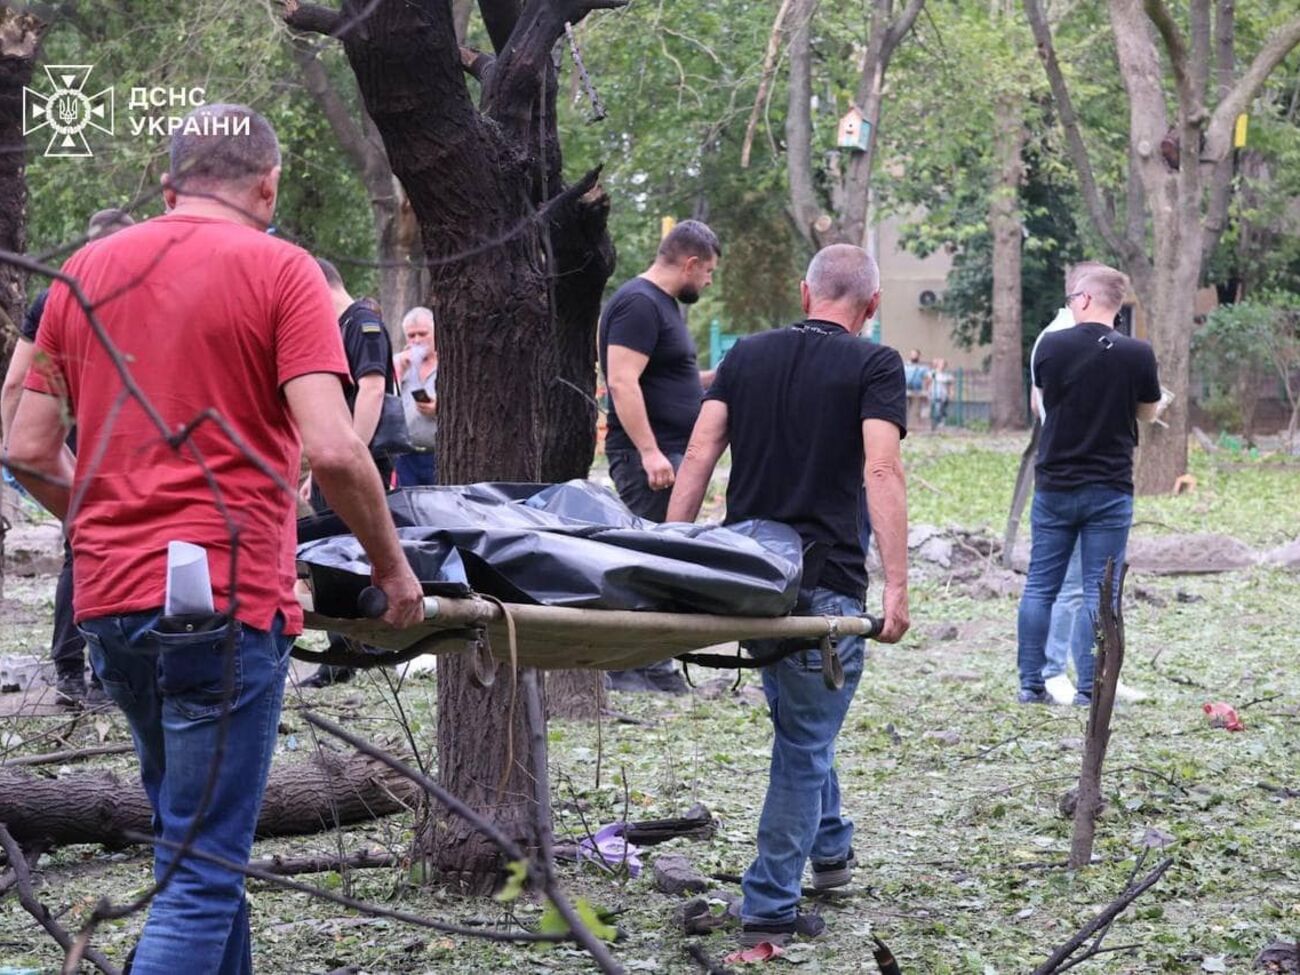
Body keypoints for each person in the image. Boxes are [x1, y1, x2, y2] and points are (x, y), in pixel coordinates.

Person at [5, 103, 423, 975]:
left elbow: (24, 445)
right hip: (223, 610)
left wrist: (111, 517)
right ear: (267, 186)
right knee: (199, 876)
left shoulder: (81, 274)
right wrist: (394, 571)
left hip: (112, 607)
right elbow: (337, 449)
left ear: (169, 185)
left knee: (194, 850)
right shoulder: (284, 271)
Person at [667, 244, 910, 947]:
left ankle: (830, 853)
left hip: (749, 586)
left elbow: (699, 455)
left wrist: (664, 557)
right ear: (871, 306)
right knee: (805, 742)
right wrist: (896, 584)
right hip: (824, 589)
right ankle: (770, 904)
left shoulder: (746, 354)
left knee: (806, 725)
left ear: (806, 295)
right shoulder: (875, 362)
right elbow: (882, 470)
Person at [0, 207, 135, 708]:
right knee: (126, 552)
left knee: (80, 550)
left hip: (67, 441)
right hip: (126, 441)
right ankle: (109, 677)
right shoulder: (144, 292)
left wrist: (17, 455)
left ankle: (69, 674)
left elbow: (16, 383)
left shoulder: (55, 295)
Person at [1017, 261, 1162, 707]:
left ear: (1083, 298)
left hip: (1056, 483)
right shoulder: (1138, 354)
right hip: (1110, 487)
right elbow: (1150, 411)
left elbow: (1046, 399)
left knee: (1041, 584)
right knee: (1101, 591)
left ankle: (1030, 683)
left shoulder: (1051, 348)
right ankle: (1090, 687)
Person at [598, 218, 721, 694]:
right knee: (645, 559)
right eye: (707, 271)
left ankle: (654, 665)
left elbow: (672, 379)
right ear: (689, 263)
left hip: (671, 453)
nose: (708, 281)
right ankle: (628, 668)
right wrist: (649, 452)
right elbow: (622, 381)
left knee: (663, 557)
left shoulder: (661, 306)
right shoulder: (638, 303)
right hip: (648, 458)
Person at [298, 259, 399, 689]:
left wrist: (349, 452)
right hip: (334, 460)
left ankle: (366, 649)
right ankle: (342, 652)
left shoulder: (361, 323)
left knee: (352, 552)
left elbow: (373, 387)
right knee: (330, 554)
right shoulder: (336, 327)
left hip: (360, 460)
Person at [393, 306, 438, 487]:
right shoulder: (399, 363)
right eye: (411, 336)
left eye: (422, 334)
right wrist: (399, 370)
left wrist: (439, 408)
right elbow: (382, 398)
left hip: (438, 454)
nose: (417, 340)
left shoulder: (450, 363)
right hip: (405, 456)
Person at [924, 356, 954, 431]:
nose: (942, 365)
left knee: (941, 409)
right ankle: (932, 424)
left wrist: (951, 393)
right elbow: (927, 383)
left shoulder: (947, 375)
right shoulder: (932, 373)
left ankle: (939, 425)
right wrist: (927, 392)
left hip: (943, 395)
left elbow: (951, 386)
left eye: (944, 364)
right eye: (940, 364)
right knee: (933, 409)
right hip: (933, 394)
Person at [903, 348, 929, 430]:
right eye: (912, 354)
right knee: (905, 408)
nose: (913, 356)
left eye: (915, 354)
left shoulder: (922, 367)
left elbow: (927, 378)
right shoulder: (905, 365)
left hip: (918, 390)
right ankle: (904, 425)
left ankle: (917, 425)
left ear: (918, 356)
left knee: (918, 408)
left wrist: (926, 389)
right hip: (906, 389)